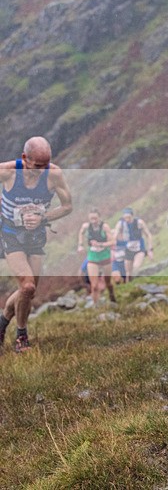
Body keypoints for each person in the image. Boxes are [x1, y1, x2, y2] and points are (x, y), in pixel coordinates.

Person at [0, 137, 73, 352]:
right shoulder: (8, 172)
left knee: (28, 291)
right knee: (28, 285)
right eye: (38, 166)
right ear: (25, 158)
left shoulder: (54, 174)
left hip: (36, 236)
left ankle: (3, 321)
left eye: (47, 165)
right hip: (10, 234)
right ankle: (22, 336)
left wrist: (43, 218)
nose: (43, 170)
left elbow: (68, 206)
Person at [77, 208, 116, 306]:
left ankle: (112, 295)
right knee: (94, 286)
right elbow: (81, 233)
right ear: (89, 219)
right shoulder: (86, 226)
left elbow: (113, 242)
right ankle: (96, 306)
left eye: (95, 219)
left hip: (105, 257)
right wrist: (80, 245)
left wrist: (101, 245)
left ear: (99, 218)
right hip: (93, 258)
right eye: (91, 219)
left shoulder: (104, 227)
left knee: (108, 283)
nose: (93, 221)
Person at [113, 208, 153, 282]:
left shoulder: (139, 222)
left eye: (129, 217)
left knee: (136, 266)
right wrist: (113, 246)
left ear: (132, 216)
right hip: (128, 249)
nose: (127, 219)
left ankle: (134, 282)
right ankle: (129, 285)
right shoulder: (121, 223)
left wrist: (150, 250)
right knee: (128, 272)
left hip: (139, 248)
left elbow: (148, 235)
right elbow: (115, 235)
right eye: (125, 218)